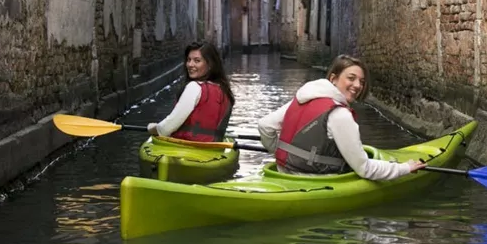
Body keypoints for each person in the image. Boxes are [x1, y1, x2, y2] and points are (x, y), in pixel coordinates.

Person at [258, 54, 425, 180]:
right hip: (313, 180)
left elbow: (265, 125)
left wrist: (280, 154)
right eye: (351, 78)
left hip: (283, 174)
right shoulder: (340, 115)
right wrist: (405, 168)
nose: (358, 85)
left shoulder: (302, 98)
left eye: (362, 81)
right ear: (333, 78)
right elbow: (364, 169)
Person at [147, 42, 234, 142]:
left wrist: (152, 128)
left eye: (197, 61)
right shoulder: (225, 90)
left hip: (188, 147)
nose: (190, 64)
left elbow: (166, 128)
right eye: (188, 60)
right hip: (213, 149)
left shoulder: (194, 87)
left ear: (210, 64)